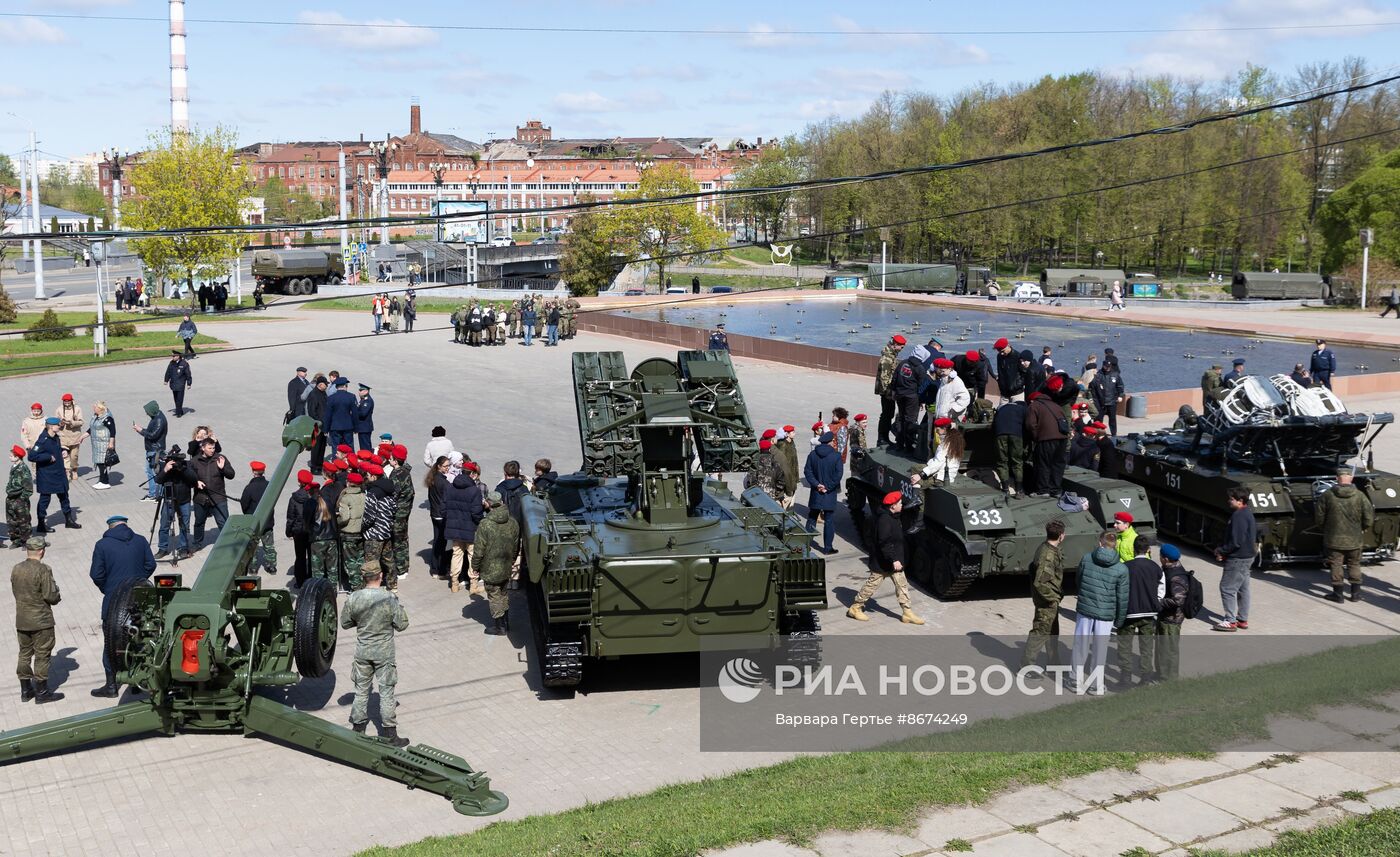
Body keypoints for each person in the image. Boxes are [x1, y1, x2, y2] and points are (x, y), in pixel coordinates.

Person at [341, 559, 410, 746]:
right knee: (386, 692)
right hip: (384, 653)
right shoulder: (389, 598)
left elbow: (345, 623)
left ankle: (358, 729)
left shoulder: (354, 597)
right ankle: (390, 734)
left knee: (361, 691)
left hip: (363, 651)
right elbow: (402, 624)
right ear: (380, 576)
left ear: (364, 578)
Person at [88, 514, 156, 697]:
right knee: (139, 640)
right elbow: (151, 564)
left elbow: (96, 574)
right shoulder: (140, 541)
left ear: (110, 527)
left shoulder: (102, 545)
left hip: (113, 603)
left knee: (112, 642)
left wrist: (109, 589)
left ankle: (111, 686)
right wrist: (139, 581)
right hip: (140, 599)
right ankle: (136, 682)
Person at [846, 491, 923, 625]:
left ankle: (907, 612)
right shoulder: (884, 520)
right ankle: (855, 607)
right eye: (899, 503)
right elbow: (884, 543)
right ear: (892, 506)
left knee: (902, 585)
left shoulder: (893, 516)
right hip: (883, 562)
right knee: (872, 585)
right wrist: (894, 559)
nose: (901, 505)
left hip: (894, 561)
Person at [1069, 531, 1128, 695]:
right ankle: (1096, 685)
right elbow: (1122, 597)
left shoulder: (1087, 558)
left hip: (1085, 609)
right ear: (1114, 545)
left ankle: (1075, 681)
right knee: (1100, 649)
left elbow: (1079, 581)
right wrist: (1120, 621)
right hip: (1106, 614)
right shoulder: (1122, 569)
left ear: (1100, 543)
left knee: (1080, 645)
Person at [13, 535, 63, 703]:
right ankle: (42, 693)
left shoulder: (16, 568)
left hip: (22, 620)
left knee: (24, 654)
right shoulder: (43, 570)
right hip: (41, 621)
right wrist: (57, 594)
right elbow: (51, 596)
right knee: (42, 654)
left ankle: (25, 690)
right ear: (41, 551)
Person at [1317, 469, 1374, 603]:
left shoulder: (1327, 495)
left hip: (1333, 538)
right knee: (1354, 564)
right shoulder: (1360, 496)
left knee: (1336, 564)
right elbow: (1369, 518)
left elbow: (1319, 517)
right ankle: (1355, 594)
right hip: (1354, 538)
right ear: (1351, 478)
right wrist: (1362, 529)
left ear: (1337, 478)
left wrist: (1326, 530)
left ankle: (1338, 595)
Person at [1118, 534, 1162, 686]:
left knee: (1124, 645)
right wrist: (1156, 604)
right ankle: (1145, 678)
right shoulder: (1155, 567)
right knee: (1146, 646)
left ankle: (1125, 677)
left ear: (1133, 549)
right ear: (1149, 550)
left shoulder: (1125, 567)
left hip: (1128, 613)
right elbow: (1161, 591)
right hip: (1149, 613)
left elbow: (1119, 590)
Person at [1022, 519, 1066, 669]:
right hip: (1047, 602)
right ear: (1061, 535)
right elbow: (1040, 583)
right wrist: (1052, 599)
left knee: (1052, 633)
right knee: (1040, 632)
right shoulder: (1047, 555)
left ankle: (1054, 663)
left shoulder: (1048, 549)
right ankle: (1026, 666)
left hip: (1050, 600)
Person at [475, 491, 520, 635]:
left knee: (494, 596)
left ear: (488, 503)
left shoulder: (485, 524)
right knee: (503, 592)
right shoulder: (512, 521)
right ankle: (506, 622)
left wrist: (475, 566)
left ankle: (499, 627)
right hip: (506, 564)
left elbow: (479, 549)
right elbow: (515, 544)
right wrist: (512, 559)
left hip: (490, 567)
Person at [1212, 487, 1257, 631]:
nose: (1228, 501)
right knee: (1243, 589)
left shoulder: (1239, 516)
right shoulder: (1247, 513)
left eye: (1231, 499)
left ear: (1240, 501)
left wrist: (1221, 550)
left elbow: (1236, 541)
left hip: (1238, 559)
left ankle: (1230, 621)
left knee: (1227, 588)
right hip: (1247, 557)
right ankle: (1242, 620)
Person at [29, 418, 78, 533]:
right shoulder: (43, 440)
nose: (60, 427)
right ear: (51, 427)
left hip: (58, 474)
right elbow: (32, 456)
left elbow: (54, 449)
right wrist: (48, 457)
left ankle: (69, 520)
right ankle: (41, 524)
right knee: (45, 500)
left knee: (64, 497)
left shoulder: (55, 437)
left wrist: (62, 450)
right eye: (58, 425)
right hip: (47, 476)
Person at [445, 461, 485, 594]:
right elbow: (476, 513)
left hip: (454, 528)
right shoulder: (474, 490)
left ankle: (454, 583)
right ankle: (473, 585)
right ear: (472, 474)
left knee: (456, 554)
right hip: (470, 529)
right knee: (472, 556)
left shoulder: (450, 487)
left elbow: (444, 508)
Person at [190, 439, 234, 551]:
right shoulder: (194, 461)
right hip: (201, 498)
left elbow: (231, 475)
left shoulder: (220, 458)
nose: (212, 450)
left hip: (218, 498)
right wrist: (195, 482)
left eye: (213, 448)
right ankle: (197, 543)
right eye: (210, 448)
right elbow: (189, 478)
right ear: (203, 448)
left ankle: (228, 545)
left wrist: (222, 468)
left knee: (223, 522)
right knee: (199, 522)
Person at [153, 445, 196, 560]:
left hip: (184, 500)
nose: (176, 463)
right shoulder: (165, 465)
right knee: (164, 525)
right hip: (168, 499)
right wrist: (166, 470)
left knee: (184, 525)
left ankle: (183, 547)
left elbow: (193, 479)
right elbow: (158, 480)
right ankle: (162, 548)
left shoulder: (186, 464)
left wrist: (183, 469)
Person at [1156, 544, 1191, 680]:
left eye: (1160, 556)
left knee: (1169, 649)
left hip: (1171, 619)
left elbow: (1178, 601)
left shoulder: (1176, 577)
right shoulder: (1168, 569)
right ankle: (1162, 673)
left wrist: (1158, 602)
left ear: (1165, 558)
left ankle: (1169, 678)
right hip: (1165, 617)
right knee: (1162, 647)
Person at [803, 431, 842, 556]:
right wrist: (828, 487)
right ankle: (827, 547)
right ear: (831, 442)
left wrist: (817, 485)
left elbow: (807, 471)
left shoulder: (812, 455)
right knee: (829, 520)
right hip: (829, 493)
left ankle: (805, 545)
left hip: (816, 492)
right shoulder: (836, 456)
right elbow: (838, 475)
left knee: (812, 517)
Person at [362, 464, 398, 590]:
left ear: (373, 476)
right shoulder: (390, 489)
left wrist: (362, 527)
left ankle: (371, 587)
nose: (367, 477)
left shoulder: (372, 493)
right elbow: (394, 509)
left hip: (374, 534)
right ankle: (392, 584)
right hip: (386, 531)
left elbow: (369, 517)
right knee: (388, 559)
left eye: (368, 475)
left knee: (371, 562)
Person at [1025, 391, 1069, 496]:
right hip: (1062, 439)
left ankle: (1043, 491)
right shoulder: (1056, 406)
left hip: (1046, 439)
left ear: (1032, 399)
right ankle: (1055, 490)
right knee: (1058, 465)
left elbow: (1030, 425)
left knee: (1043, 465)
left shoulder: (1034, 405)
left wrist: (1036, 437)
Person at [238, 461, 277, 575]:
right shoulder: (270, 485)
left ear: (253, 472)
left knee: (253, 547)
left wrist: (247, 514)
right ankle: (271, 566)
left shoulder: (249, 488)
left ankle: (253, 567)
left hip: (254, 522)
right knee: (269, 545)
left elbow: (244, 504)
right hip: (268, 522)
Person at [890, 345, 926, 453]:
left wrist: (893, 391)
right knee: (910, 421)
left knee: (901, 418)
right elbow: (922, 386)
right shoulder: (920, 368)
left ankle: (900, 443)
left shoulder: (903, 363)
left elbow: (895, 377)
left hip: (900, 394)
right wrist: (921, 401)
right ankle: (909, 446)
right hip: (912, 397)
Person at [132, 401, 169, 504]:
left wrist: (141, 430)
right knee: (153, 472)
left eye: (147, 411)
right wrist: (141, 430)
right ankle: (157, 494)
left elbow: (153, 435)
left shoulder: (159, 420)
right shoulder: (157, 417)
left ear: (152, 411)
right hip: (153, 449)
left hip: (154, 450)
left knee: (152, 472)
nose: (146, 414)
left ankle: (154, 495)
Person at [336, 471, 367, 591]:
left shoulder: (345, 498)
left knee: (350, 562)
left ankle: (356, 587)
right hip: (361, 532)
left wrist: (337, 520)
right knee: (360, 559)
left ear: (349, 483)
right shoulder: (364, 496)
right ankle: (363, 583)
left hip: (348, 534)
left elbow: (344, 517)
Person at [388, 445, 414, 582]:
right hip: (405, 511)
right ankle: (404, 566)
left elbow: (393, 495)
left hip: (398, 513)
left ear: (396, 461)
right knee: (403, 538)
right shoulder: (405, 471)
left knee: (398, 541)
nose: (389, 459)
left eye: (391, 457)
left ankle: (401, 568)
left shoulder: (397, 475)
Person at [284, 470, 315, 586]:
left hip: (298, 532)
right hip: (311, 531)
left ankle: (300, 581)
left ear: (299, 482)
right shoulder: (313, 496)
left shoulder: (294, 499)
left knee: (300, 557)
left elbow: (290, 517)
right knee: (312, 556)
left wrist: (289, 532)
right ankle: (312, 579)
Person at [875, 335, 906, 447]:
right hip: (887, 392)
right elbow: (884, 379)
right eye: (901, 347)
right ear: (895, 345)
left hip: (888, 391)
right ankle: (882, 438)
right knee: (886, 415)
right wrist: (889, 393)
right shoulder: (887, 358)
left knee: (889, 414)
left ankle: (884, 437)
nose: (901, 349)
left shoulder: (891, 355)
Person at [992, 400, 1027, 496]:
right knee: (1017, 462)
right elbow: (1027, 424)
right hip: (1016, 434)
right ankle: (1019, 490)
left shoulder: (1002, 409)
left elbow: (994, 424)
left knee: (1002, 461)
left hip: (1000, 434)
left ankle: (1005, 489)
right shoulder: (1023, 409)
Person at [426, 456, 450, 578]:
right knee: (441, 543)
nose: (448, 468)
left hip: (434, 513)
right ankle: (439, 570)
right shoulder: (444, 483)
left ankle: (434, 569)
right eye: (445, 466)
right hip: (441, 515)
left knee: (437, 540)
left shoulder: (433, 478)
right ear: (439, 466)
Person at [744, 438, 788, 503]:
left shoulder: (754, 463)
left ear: (760, 449)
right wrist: (777, 492)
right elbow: (781, 480)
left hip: (755, 496)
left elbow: (750, 480)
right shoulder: (775, 463)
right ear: (769, 449)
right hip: (771, 496)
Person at [6, 445, 33, 548]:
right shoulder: (14, 467)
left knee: (24, 521)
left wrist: (22, 499)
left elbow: (28, 487)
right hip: (11, 498)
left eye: (11, 456)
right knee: (12, 521)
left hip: (19, 499)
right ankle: (16, 540)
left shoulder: (23, 469)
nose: (9, 457)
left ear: (17, 457)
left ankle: (26, 541)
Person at [55, 394, 86, 483]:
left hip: (75, 436)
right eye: (65, 401)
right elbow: (56, 422)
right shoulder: (59, 409)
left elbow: (81, 422)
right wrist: (61, 423)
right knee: (65, 456)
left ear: (72, 400)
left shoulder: (77, 409)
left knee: (74, 457)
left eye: (68, 401)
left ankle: (74, 469)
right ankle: (67, 472)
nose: (67, 403)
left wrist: (72, 422)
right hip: (63, 437)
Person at [1088, 361, 1124, 436]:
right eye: (1106, 366)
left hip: (1112, 401)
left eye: (1109, 367)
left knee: (1112, 419)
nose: (1108, 368)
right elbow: (1092, 388)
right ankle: (1097, 433)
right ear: (1103, 366)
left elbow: (1120, 386)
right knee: (1098, 419)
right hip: (1100, 402)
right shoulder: (1098, 375)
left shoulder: (1115, 374)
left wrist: (1120, 395)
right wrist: (1092, 399)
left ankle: (1114, 434)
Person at [87, 401, 117, 490]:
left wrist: (111, 443)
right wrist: (83, 436)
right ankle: (102, 480)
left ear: (100, 409)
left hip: (104, 444)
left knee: (103, 463)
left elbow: (113, 431)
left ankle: (105, 482)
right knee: (99, 462)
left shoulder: (107, 418)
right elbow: (92, 428)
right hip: (97, 444)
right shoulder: (96, 417)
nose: (93, 408)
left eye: (95, 407)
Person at [324, 377, 357, 452]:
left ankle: (336, 462)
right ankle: (350, 462)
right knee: (349, 446)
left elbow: (328, 415)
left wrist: (326, 429)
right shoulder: (351, 396)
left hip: (335, 426)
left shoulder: (331, 398)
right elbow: (355, 413)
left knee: (336, 446)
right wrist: (356, 427)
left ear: (336, 387)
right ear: (345, 386)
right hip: (348, 426)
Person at [306, 375, 329, 474]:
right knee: (316, 446)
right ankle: (314, 466)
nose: (327, 386)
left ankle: (319, 465)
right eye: (325, 384)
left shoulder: (323, 394)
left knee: (322, 445)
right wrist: (319, 422)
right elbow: (312, 411)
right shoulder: (314, 394)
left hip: (323, 425)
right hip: (317, 425)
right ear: (320, 384)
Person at [992, 338, 1024, 403]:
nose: (1001, 353)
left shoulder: (1018, 356)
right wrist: (1000, 383)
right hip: (1004, 392)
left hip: (1017, 393)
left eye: (1003, 351)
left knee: (1017, 412)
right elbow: (1000, 371)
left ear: (1008, 346)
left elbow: (1024, 373)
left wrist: (1017, 385)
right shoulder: (999, 356)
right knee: (1001, 411)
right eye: (999, 351)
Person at [164, 351, 193, 418]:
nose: (172, 357)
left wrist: (189, 383)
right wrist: (166, 380)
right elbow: (168, 372)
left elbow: (188, 374)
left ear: (178, 356)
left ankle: (178, 412)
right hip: (173, 384)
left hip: (181, 384)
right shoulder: (171, 363)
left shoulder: (184, 364)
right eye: (172, 356)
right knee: (176, 398)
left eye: (174, 356)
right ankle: (180, 410)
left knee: (179, 399)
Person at [354, 384, 376, 452]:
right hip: (362, 427)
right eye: (359, 390)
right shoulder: (363, 400)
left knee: (365, 447)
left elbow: (363, 414)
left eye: (361, 390)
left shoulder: (368, 401)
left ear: (366, 391)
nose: (359, 392)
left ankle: (367, 460)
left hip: (365, 427)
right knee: (363, 446)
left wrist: (354, 412)